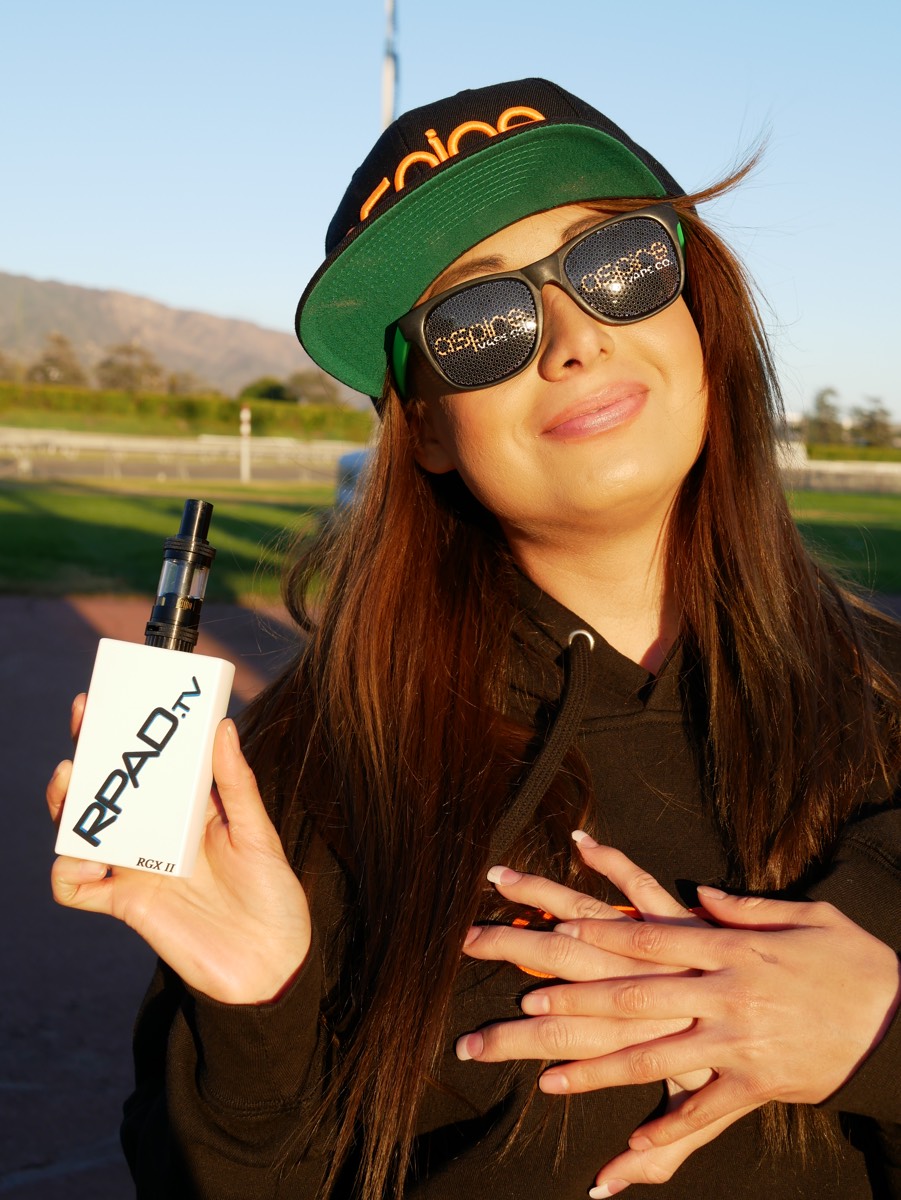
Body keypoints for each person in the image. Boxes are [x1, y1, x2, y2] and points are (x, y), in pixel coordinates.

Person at [47, 78, 901, 1199]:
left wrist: (883, 1036)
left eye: (617, 264)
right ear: (427, 431)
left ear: (699, 315)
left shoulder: (888, 703)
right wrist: (255, 1014)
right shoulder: (306, 770)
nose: (574, 340)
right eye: (479, 323)